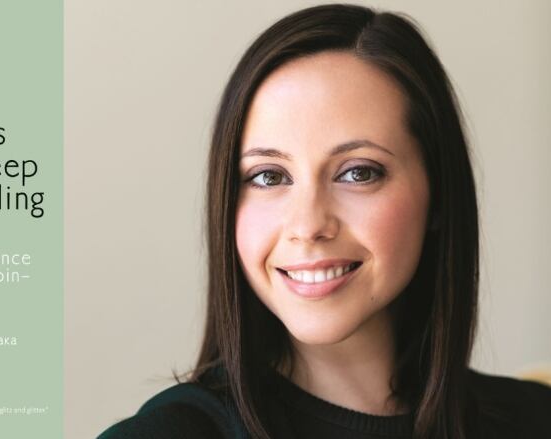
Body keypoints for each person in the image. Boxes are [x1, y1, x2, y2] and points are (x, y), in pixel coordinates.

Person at [98, 4, 551, 439]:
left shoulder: (534, 418)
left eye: (358, 172)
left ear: (437, 194)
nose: (308, 224)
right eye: (268, 176)